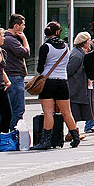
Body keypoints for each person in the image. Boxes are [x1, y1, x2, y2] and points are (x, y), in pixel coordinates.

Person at [31, 22, 81, 150]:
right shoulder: (65, 47)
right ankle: (75, 137)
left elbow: (40, 68)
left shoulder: (45, 47)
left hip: (48, 82)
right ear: (58, 32)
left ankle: (46, 140)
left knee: (48, 112)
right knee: (66, 111)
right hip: (63, 82)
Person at [0, 14, 28, 137]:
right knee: (17, 108)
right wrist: (24, 40)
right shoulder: (11, 40)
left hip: (8, 76)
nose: (24, 27)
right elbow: (25, 53)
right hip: (14, 77)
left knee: (5, 108)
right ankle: (13, 134)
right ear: (16, 26)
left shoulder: (5, 40)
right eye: (23, 25)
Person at [66, 32, 94, 138]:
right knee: (74, 110)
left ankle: (73, 131)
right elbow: (69, 70)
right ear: (83, 42)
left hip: (79, 86)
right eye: (89, 40)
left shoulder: (81, 53)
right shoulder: (77, 55)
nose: (90, 42)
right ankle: (72, 132)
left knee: (77, 110)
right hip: (75, 86)